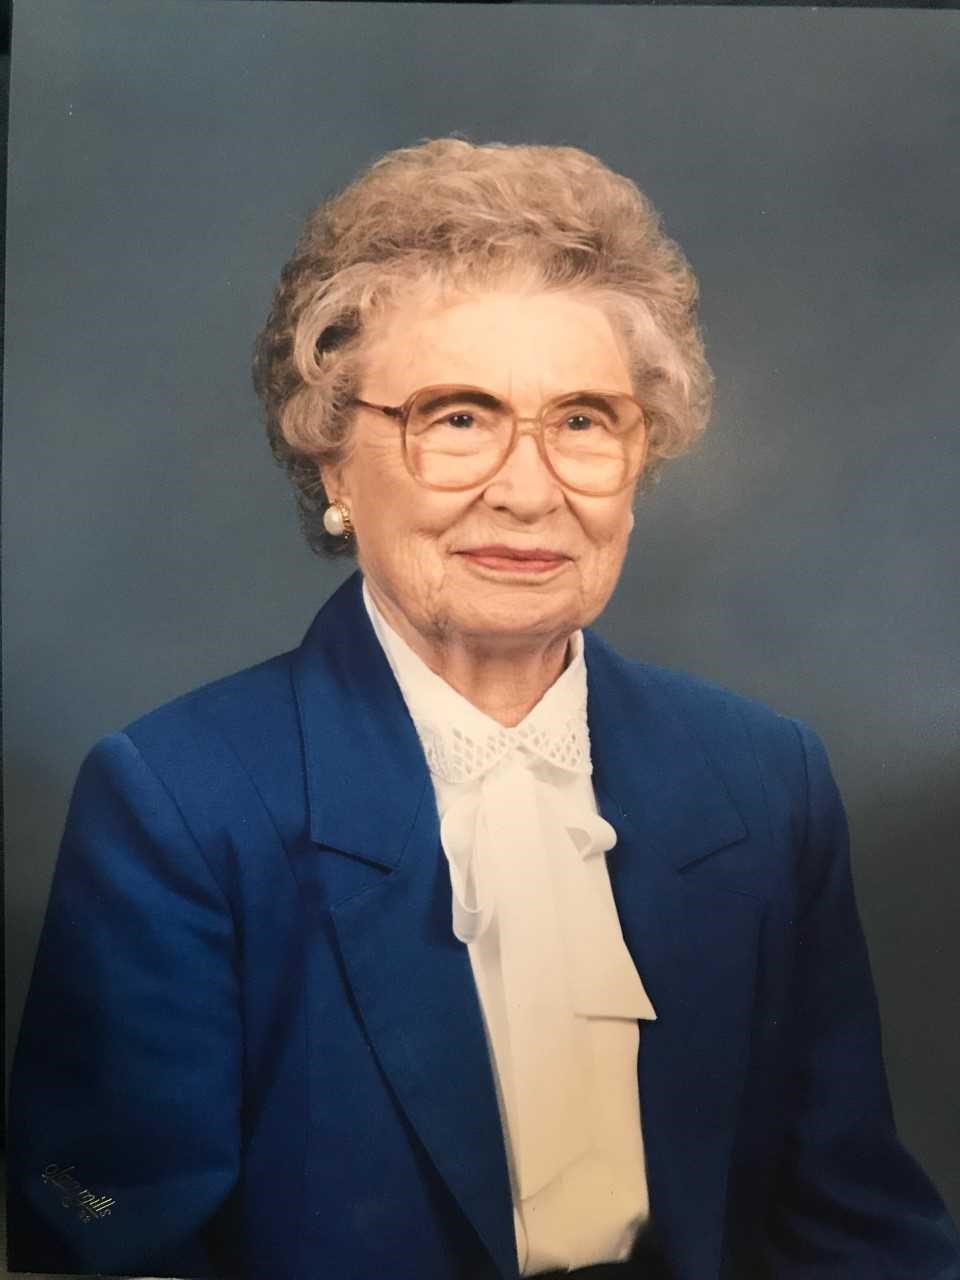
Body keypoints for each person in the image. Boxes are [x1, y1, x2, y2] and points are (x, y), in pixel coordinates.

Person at [8, 138, 959, 1280]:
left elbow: (856, 1225)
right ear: (334, 466)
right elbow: (105, 1230)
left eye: (583, 421)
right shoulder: (180, 801)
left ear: (641, 458)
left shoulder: (766, 779)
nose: (526, 489)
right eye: (457, 418)